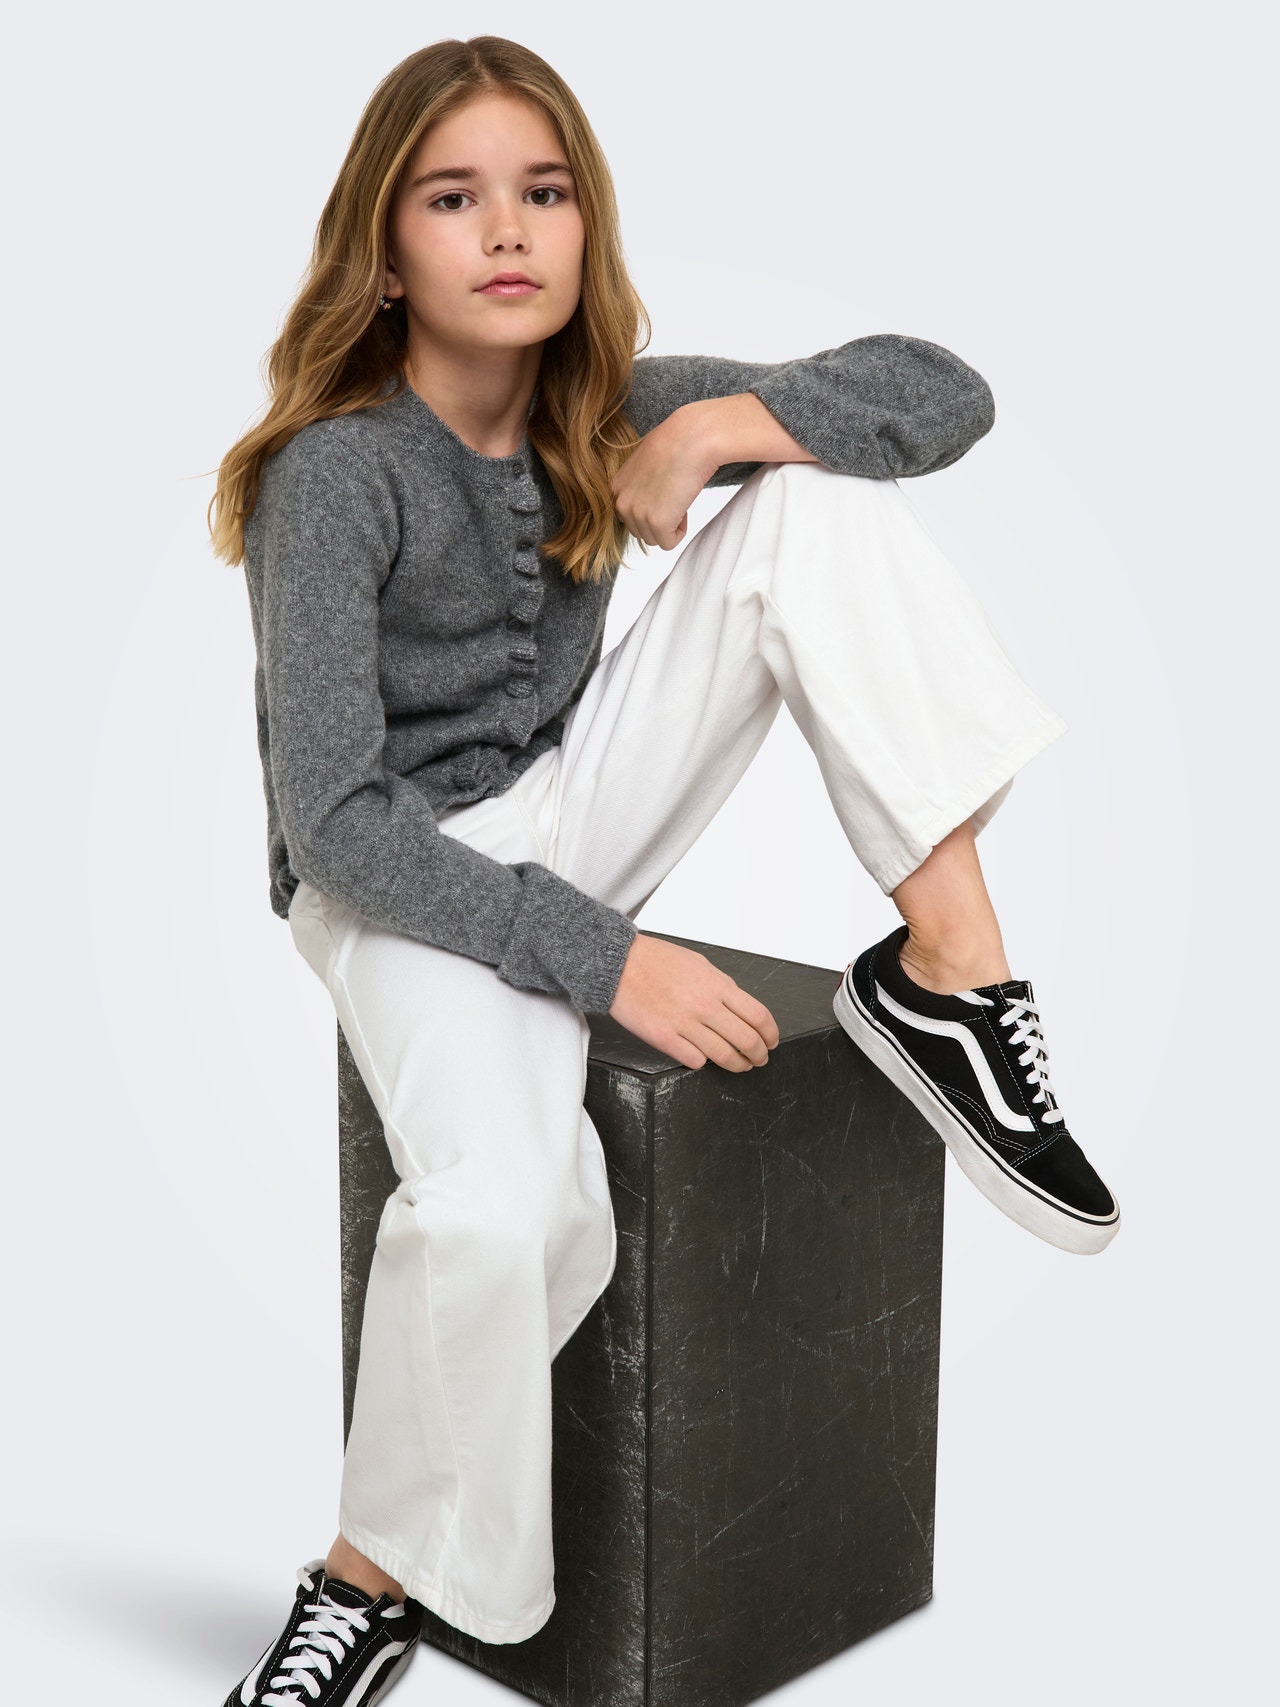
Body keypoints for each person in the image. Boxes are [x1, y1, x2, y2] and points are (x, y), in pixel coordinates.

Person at [209, 32, 1120, 1707]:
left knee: (816, 506)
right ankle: (369, 1580)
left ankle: (954, 976)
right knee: (510, 1214)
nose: (508, 230)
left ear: (586, 224)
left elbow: (946, 391)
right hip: (395, 880)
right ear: (385, 253)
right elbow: (332, 818)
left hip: (575, 798)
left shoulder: (613, 405)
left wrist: (719, 431)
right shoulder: (332, 475)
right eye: (454, 199)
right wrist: (603, 955)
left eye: (543, 193)